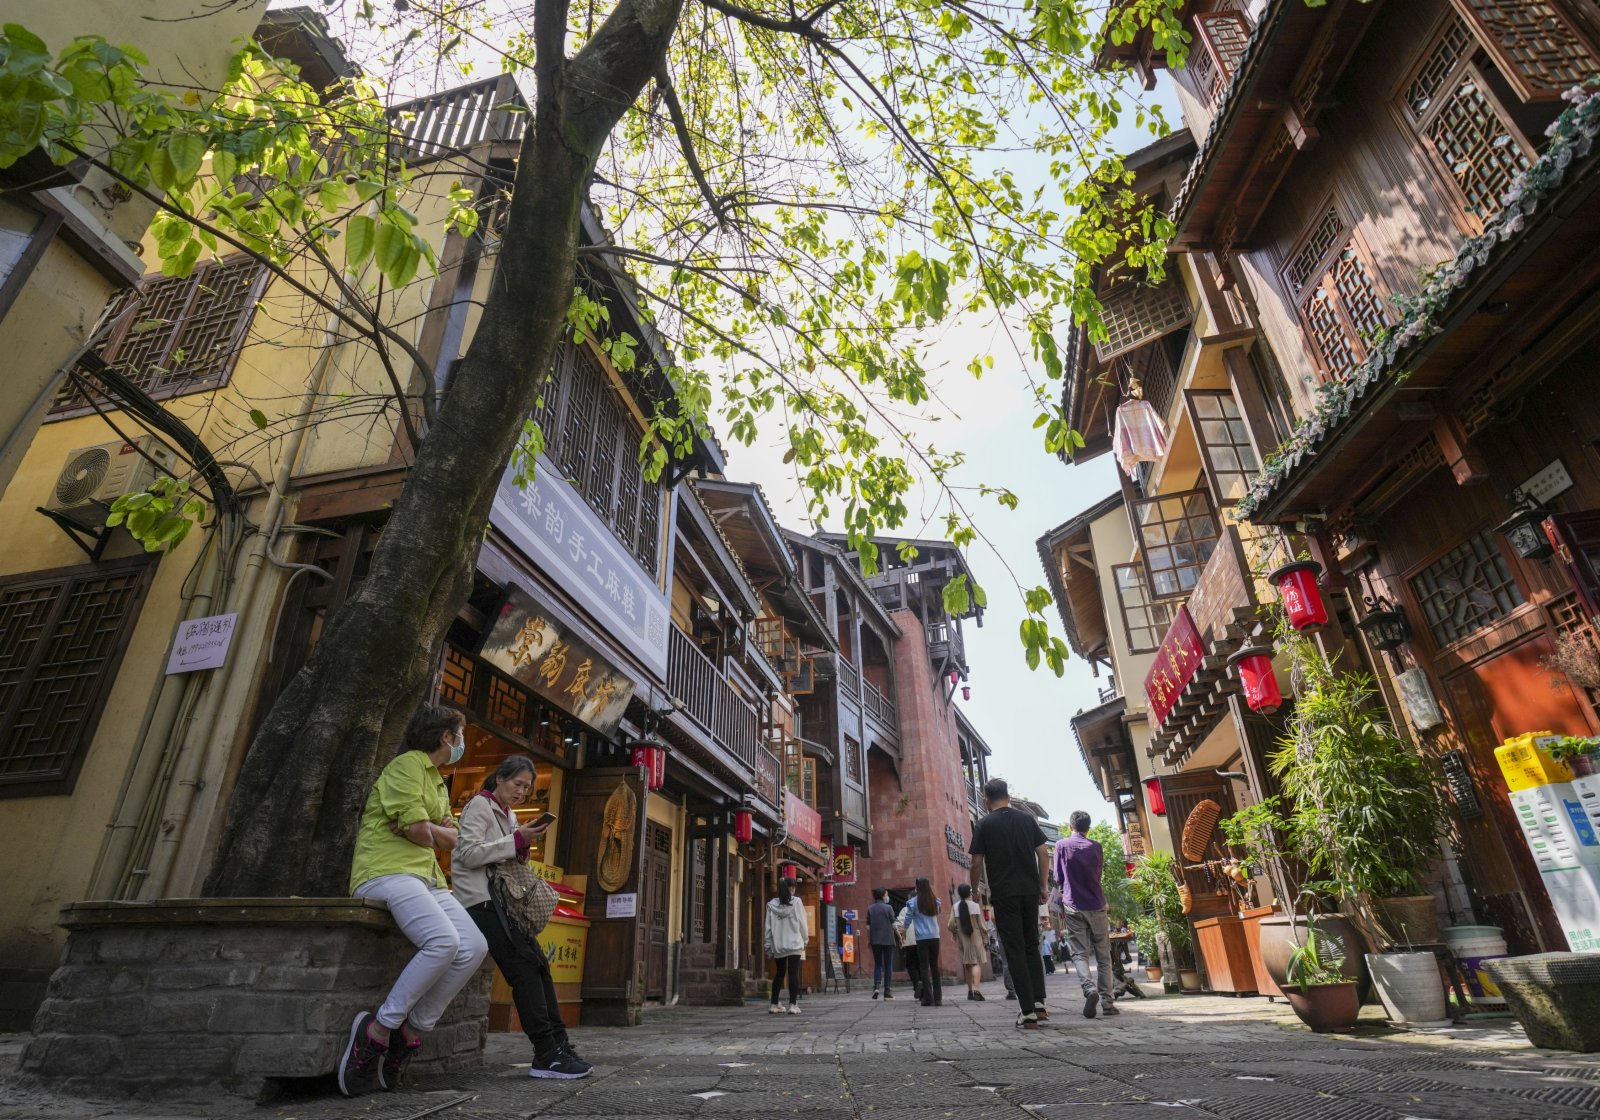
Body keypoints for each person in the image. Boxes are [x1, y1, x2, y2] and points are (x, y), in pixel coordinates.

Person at [337, 705, 490, 1097]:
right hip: (385, 871)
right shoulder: (406, 767)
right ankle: (379, 1030)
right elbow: (424, 831)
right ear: (446, 737)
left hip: (427, 877)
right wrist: (424, 830)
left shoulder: (439, 782)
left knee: (474, 945)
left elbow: (451, 838)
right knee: (444, 941)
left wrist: (424, 830)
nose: (463, 743)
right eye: (461, 734)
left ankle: (412, 1029)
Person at [454, 755, 591, 1079]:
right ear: (500, 778)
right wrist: (516, 840)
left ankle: (559, 1044)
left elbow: (506, 859)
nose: (521, 792)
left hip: (504, 903)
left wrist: (522, 844)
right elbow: (467, 854)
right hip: (480, 902)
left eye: (527, 787)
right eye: (517, 784)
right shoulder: (478, 806)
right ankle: (546, 1052)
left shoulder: (509, 813)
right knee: (526, 970)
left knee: (539, 966)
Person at [969, 777, 1050, 1030]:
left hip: (1004, 894)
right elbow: (1043, 853)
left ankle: (1027, 1011)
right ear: (1008, 796)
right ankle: (1038, 1003)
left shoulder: (983, 824)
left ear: (985, 799)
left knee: (1014, 949)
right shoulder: (1027, 820)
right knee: (1030, 945)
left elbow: (975, 862)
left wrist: (975, 890)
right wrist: (1043, 886)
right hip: (1029, 891)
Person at [1057, 809, 1116, 1018]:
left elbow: (1058, 877)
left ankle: (1089, 989)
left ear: (1070, 826)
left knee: (1079, 953)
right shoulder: (1096, 847)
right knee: (1103, 955)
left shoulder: (1061, 845)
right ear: (1088, 828)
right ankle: (1108, 1003)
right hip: (1097, 903)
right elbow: (1098, 875)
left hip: (1073, 905)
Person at [896, 878, 944, 1007]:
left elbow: (907, 919)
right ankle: (938, 998)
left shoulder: (913, 903)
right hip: (935, 936)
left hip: (922, 938)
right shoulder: (935, 900)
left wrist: (904, 931)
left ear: (917, 887)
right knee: (934, 967)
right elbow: (938, 913)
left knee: (924, 968)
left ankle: (928, 998)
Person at [764, 876, 808, 1014]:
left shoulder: (771, 905)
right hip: (794, 944)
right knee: (793, 973)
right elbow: (802, 923)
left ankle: (774, 1003)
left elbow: (768, 928)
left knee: (779, 973)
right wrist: (805, 939)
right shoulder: (797, 902)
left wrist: (768, 944)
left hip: (779, 945)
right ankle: (793, 1005)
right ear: (791, 888)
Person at [946, 882, 989, 1000]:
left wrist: (956, 932)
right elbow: (982, 926)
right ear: (969, 893)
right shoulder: (975, 906)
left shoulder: (955, 907)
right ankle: (977, 990)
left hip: (963, 940)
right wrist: (986, 939)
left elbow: (950, 925)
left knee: (967, 965)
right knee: (976, 964)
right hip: (976, 939)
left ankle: (970, 991)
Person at [866, 889, 897, 999]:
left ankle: (877, 987)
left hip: (875, 941)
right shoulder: (889, 908)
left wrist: (870, 939)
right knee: (888, 964)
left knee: (878, 964)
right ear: (883, 896)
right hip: (888, 940)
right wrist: (900, 935)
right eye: (886, 894)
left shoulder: (870, 909)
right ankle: (887, 990)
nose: (887, 896)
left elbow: (868, 927)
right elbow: (894, 924)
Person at [896, 895, 925, 1002]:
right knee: (922, 965)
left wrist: (900, 937)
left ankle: (917, 983)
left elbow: (898, 924)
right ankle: (923, 989)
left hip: (910, 941)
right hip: (923, 939)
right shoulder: (924, 908)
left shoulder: (906, 909)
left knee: (910, 965)